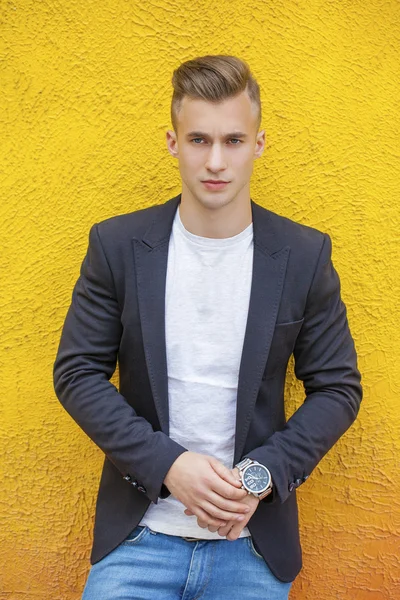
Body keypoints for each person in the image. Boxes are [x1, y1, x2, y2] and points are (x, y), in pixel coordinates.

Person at [53, 55, 362, 599]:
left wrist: (261, 475)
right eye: (198, 140)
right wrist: (167, 464)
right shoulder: (117, 246)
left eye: (234, 141)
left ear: (259, 144)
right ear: (173, 143)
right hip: (139, 539)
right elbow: (77, 372)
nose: (216, 161)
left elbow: (338, 388)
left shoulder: (304, 255)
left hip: (251, 546)